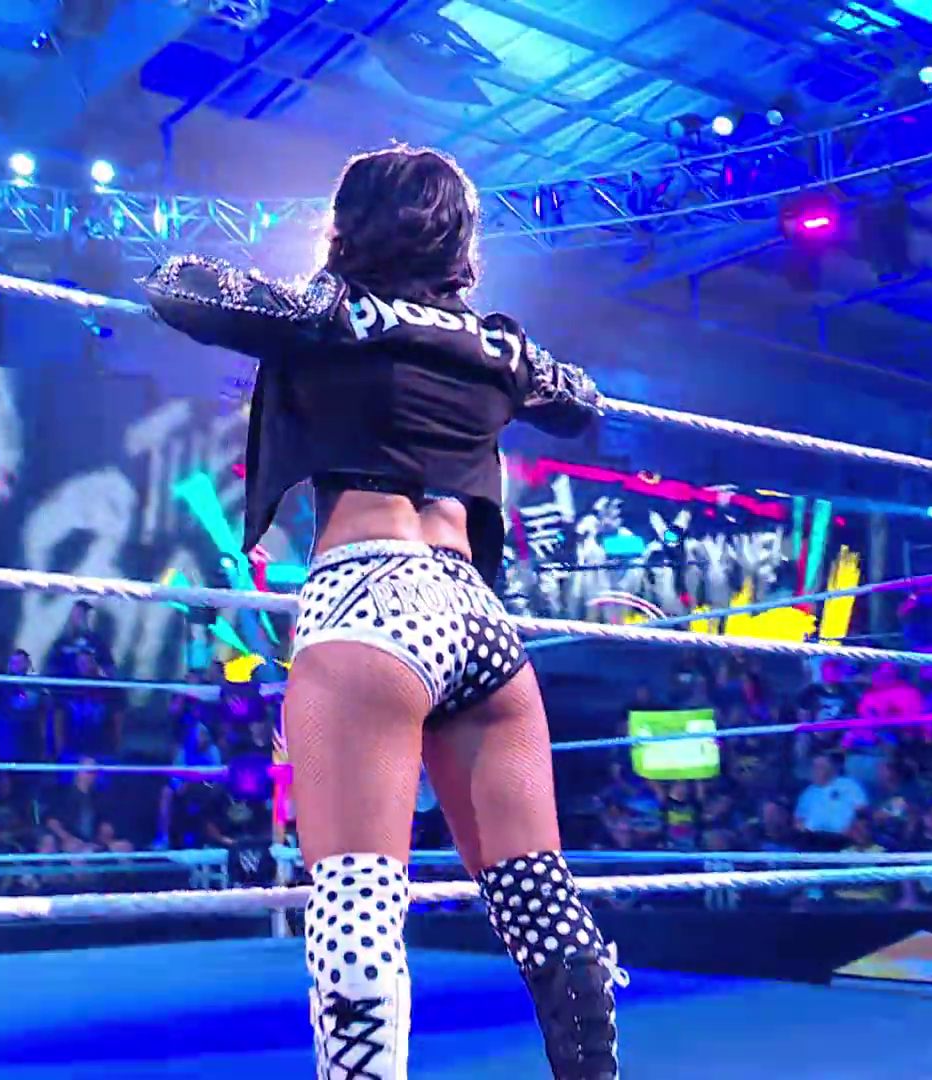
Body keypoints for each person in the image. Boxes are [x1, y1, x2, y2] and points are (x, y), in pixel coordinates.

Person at [143, 145, 616, 1080]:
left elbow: (177, 285)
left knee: (355, 909)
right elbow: (582, 404)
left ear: (352, 222)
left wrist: (317, 297)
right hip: (479, 620)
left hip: (370, 601)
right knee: (539, 898)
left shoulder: (335, 316)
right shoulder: (500, 347)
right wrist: (496, 352)